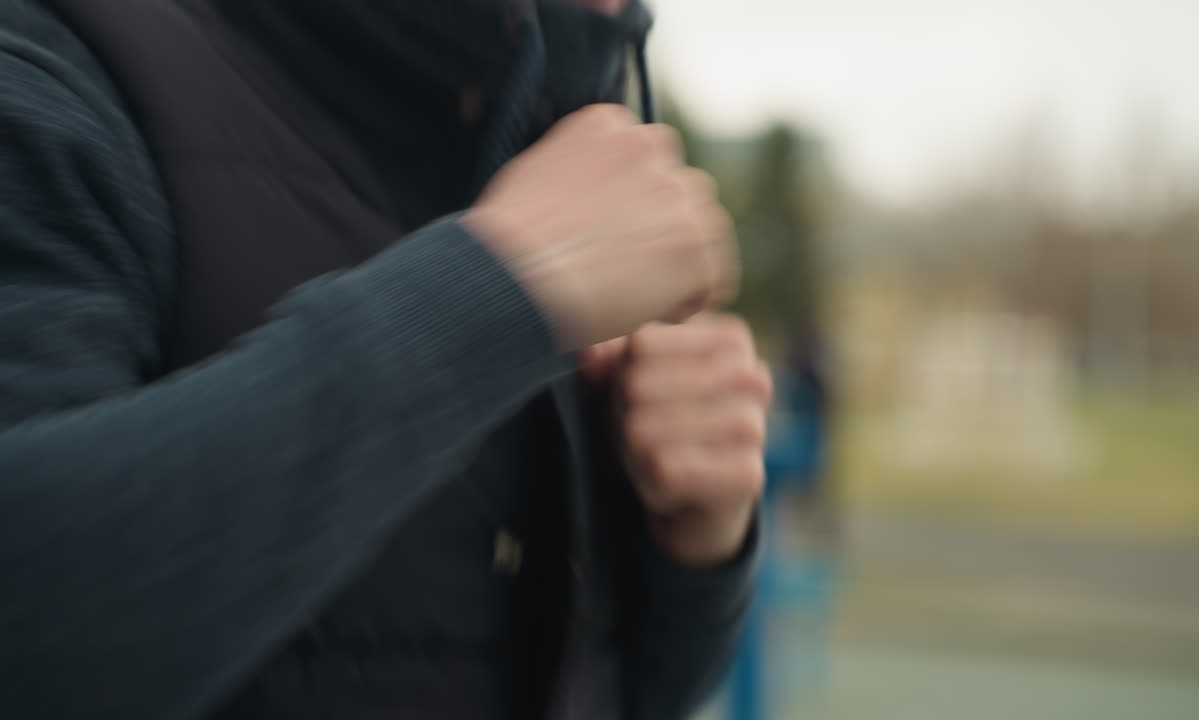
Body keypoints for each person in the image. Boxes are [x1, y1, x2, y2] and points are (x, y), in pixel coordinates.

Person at [0, 1, 771, 718]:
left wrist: (693, 558)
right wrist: (500, 292)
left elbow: (591, 683)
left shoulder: (551, 114)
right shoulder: (57, 61)